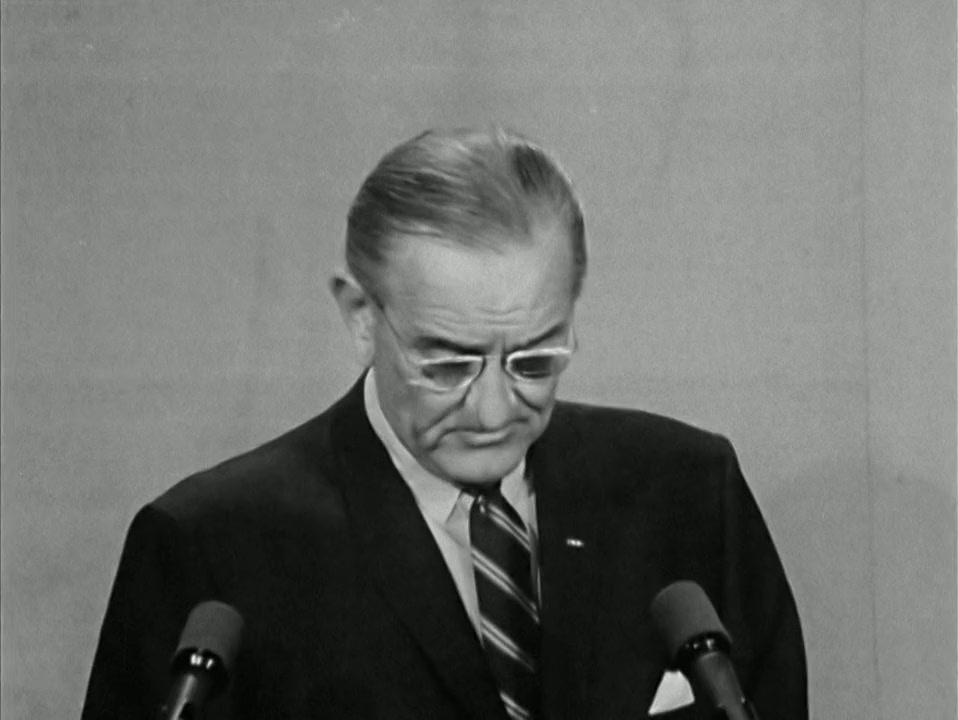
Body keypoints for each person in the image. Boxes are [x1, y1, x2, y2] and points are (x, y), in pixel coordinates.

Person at [81, 127, 807, 719]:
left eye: (533, 359)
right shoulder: (213, 548)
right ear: (360, 315)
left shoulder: (687, 495)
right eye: (448, 364)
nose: (494, 410)